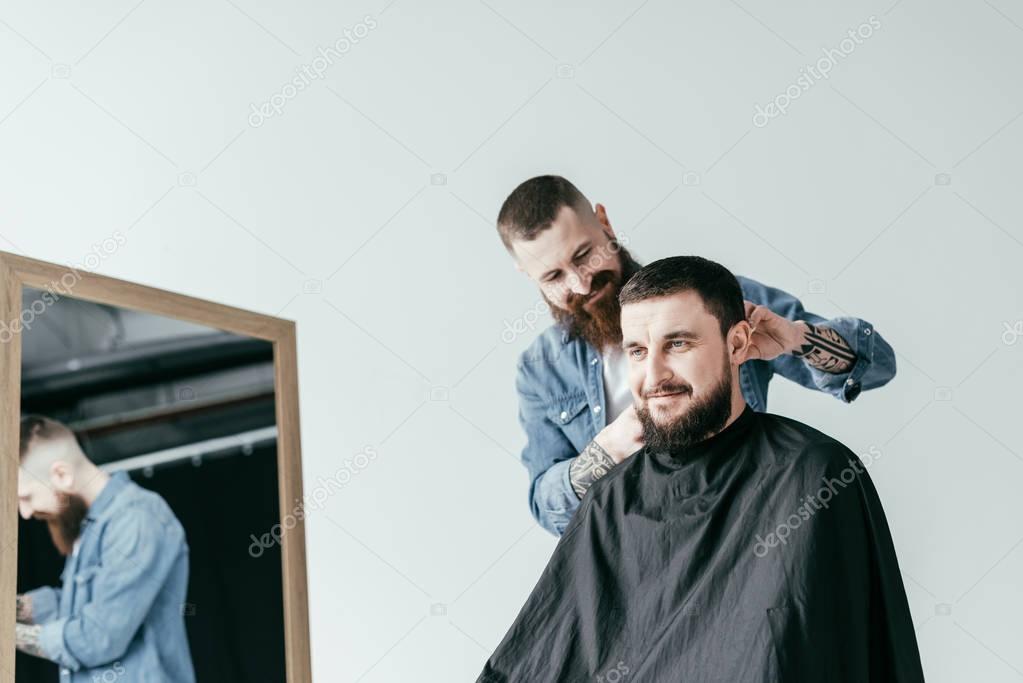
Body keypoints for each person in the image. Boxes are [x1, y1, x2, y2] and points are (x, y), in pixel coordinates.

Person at [478, 256, 923, 682]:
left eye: (678, 343)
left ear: (737, 343)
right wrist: (606, 451)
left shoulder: (814, 474)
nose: (654, 375)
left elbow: (847, 657)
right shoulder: (608, 498)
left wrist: (798, 337)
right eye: (636, 351)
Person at [498, 175, 896, 535]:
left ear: (604, 222)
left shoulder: (716, 301)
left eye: (585, 255)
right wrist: (606, 451)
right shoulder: (540, 370)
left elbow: (875, 365)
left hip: (748, 532)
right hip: (634, 564)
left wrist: (798, 338)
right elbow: (548, 509)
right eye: (553, 277)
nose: (581, 283)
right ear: (526, 274)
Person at [15, 415, 196, 683]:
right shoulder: (89, 527)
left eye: (26, 497)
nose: (25, 512)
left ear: (62, 474)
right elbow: (81, 607)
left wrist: (8, 633)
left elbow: (99, 637)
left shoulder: (136, 518)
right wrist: (15, 608)